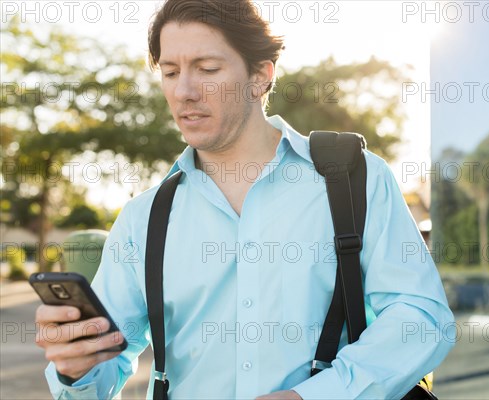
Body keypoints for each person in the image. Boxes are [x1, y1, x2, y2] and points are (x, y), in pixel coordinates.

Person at [35, 1, 455, 398]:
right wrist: (76, 368)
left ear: (261, 76)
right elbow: (102, 372)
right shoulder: (142, 218)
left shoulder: (355, 180)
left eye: (207, 69)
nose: (184, 91)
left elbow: (422, 319)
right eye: (169, 71)